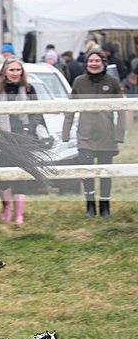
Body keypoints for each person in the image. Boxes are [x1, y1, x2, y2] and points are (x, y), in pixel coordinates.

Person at [62, 47, 125, 218]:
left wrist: (119, 135)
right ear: (86, 63)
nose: (94, 64)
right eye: (91, 61)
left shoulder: (112, 82)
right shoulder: (79, 82)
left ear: (103, 63)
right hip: (85, 136)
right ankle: (90, 206)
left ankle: (105, 206)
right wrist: (65, 133)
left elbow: (122, 109)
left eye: (97, 61)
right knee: (87, 170)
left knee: (105, 172)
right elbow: (70, 108)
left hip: (107, 136)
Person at [0, 58, 49, 224]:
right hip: (2, 137)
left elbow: (37, 112)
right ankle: (6, 207)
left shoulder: (28, 89)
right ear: (5, 71)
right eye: (12, 70)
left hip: (23, 136)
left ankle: (19, 214)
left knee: (21, 174)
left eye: (18, 70)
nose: (15, 73)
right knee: (4, 174)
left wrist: (34, 130)